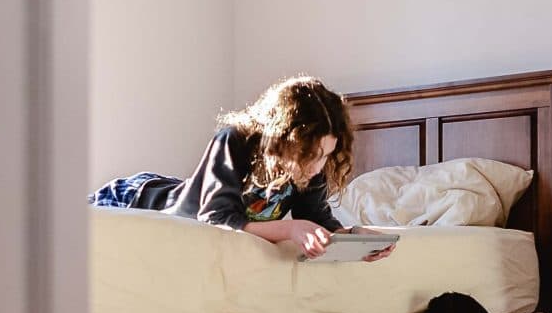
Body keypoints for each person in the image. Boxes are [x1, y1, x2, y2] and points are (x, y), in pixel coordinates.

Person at [89, 75, 386, 261]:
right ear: (282, 139)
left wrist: (355, 237)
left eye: (325, 156)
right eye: (310, 155)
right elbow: (216, 218)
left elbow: (316, 218)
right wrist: (289, 228)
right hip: (136, 198)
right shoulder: (234, 140)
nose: (316, 166)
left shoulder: (312, 169)